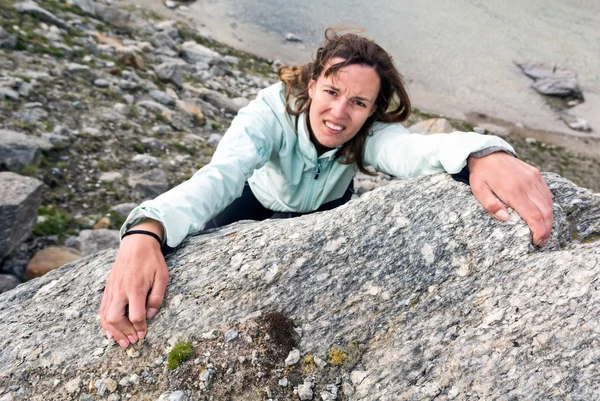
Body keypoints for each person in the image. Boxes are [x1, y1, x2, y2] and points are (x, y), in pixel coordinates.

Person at [100, 28, 553, 349]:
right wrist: (146, 229)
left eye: (358, 102)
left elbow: (413, 152)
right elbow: (220, 175)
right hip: (251, 205)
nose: (340, 112)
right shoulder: (268, 115)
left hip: (326, 212)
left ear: (373, 108)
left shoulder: (368, 133)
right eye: (332, 91)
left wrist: (486, 153)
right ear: (312, 83)